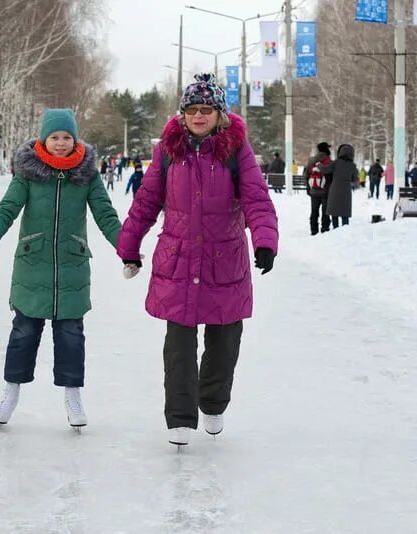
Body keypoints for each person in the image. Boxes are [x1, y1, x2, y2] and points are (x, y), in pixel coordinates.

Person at [117, 73, 278, 447]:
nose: (199, 116)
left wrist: (265, 241)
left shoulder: (237, 151)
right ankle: (180, 417)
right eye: (192, 109)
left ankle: (214, 402)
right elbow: (146, 201)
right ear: (183, 114)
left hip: (225, 260)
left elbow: (256, 199)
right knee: (179, 346)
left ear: (219, 113)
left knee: (224, 342)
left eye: (207, 109)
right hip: (179, 260)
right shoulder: (170, 151)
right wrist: (129, 244)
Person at [0, 108, 122, 430]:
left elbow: (105, 214)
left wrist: (126, 249)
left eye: (66, 137)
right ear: (44, 138)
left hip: (72, 267)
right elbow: (7, 209)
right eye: (54, 137)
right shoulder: (28, 173)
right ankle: (11, 393)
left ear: (75, 139)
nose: (60, 143)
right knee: (23, 333)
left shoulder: (86, 174)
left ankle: (73, 397)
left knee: (71, 335)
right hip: (33, 266)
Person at [319, 144, 358, 228]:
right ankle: (345, 229)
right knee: (345, 213)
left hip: (335, 189)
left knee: (334, 212)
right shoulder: (353, 166)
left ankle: (335, 229)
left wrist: (319, 165)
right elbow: (354, 179)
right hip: (346, 191)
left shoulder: (336, 163)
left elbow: (325, 169)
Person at [305, 142, 333, 235]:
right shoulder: (329, 161)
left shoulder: (311, 160)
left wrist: (308, 188)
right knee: (325, 212)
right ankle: (325, 229)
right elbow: (332, 178)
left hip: (314, 191)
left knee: (314, 212)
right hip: (326, 192)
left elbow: (306, 175)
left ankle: (314, 230)